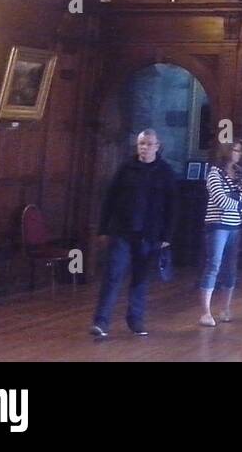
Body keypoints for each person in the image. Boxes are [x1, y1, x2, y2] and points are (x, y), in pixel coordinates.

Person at [91, 129, 176, 338]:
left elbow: (172, 206)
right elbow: (109, 199)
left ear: (157, 146)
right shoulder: (125, 169)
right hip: (122, 231)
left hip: (150, 234)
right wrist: (103, 228)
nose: (145, 148)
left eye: (148, 144)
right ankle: (101, 322)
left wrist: (167, 236)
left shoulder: (165, 172)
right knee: (113, 276)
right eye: (141, 144)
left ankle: (135, 320)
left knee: (140, 278)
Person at [199, 140, 242, 327]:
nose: (237, 154)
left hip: (236, 225)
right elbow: (221, 200)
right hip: (217, 224)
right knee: (214, 264)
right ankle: (206, 311)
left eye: (239, 150)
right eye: (234, 150)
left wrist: (237, 198)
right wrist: (241, 202)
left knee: (230, 267)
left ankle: (225, 308)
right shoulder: (214, 173)